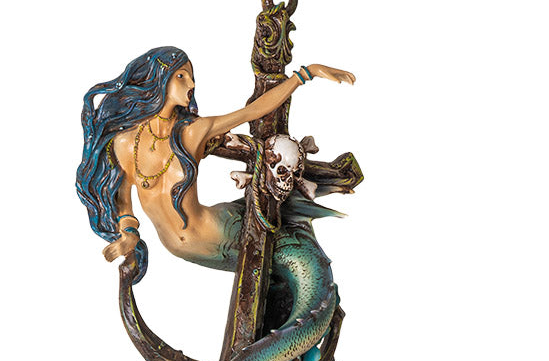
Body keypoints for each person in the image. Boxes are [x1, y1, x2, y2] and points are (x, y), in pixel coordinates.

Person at [76, 46, 354, 280]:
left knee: (292, 267)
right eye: (181, 76)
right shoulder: (125, 143)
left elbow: (253, 111)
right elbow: (123, 200)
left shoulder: (192, 132)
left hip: (222, 232)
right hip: (189, 249)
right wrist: (129, 234)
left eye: (191, 77)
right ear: (158, 79)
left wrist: (306, 73)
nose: (191, 84)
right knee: (275, 278)